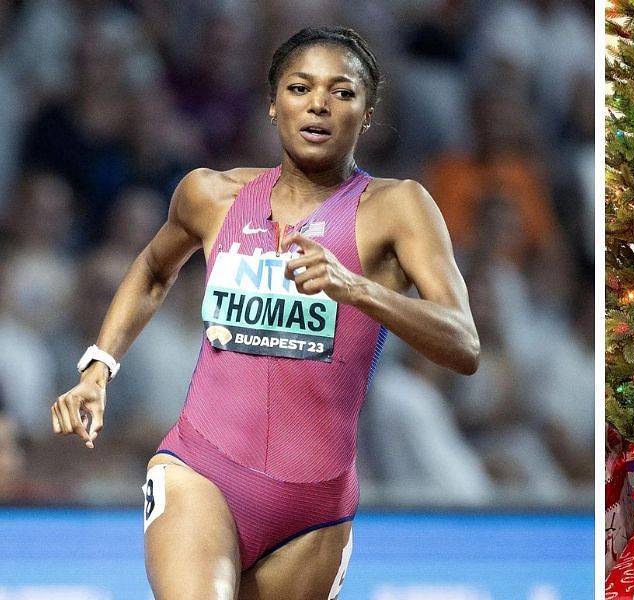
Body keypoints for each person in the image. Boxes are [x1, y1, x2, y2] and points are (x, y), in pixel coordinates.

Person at [49, 26, 479, 599]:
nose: (319, 104)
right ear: (273, 106)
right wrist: (98, 369)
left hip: (315, 509)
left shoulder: (398, 207)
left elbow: (464, 344)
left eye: (343, 92)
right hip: (201, 469)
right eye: (300, 88)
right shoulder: (211, 194)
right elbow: (154, 269)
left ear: (369, 114)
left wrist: (358, 289)